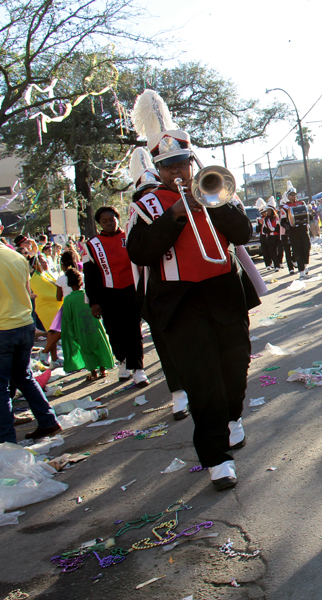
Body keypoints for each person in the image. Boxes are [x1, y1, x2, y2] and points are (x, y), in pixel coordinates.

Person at [127, 89, 256, 491]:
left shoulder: (215, 191)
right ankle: (216, 459)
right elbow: (141, 251)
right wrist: (174, 216)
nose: (176, 174)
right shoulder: (147, 205)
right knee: (203, 381)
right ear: (158, 169)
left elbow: (244, 233)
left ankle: (233, 416)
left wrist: (220, 202)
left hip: (222, 291)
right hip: (181, 304)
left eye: (182, 165)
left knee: (235, 368)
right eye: (167, 167)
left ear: (191, 163)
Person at [127, 146, 190, 420]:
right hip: (158, 290)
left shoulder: (183, 202)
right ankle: (178, 394)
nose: (150, 197)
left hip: (191, 285)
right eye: (144, 194)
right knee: (166, 344)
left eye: (153, 190)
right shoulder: (138, 215)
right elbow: (139, 256)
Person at [0, 243, 62, 443]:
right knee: (23, 377)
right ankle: (47, 420)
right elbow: (29, 293)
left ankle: (6, 439)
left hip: (3, 327)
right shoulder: (16, 257)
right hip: (24, 324)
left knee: (2, 385)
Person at [83, 206, 148, 387]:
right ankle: (122, 361)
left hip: (131, 290)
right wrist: (94, 302)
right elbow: (90, 274)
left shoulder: (129, 236)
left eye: (111, 219)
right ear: (99, 224)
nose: (109, 223)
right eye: (104, 221)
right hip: (108, 294)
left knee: (134, 330)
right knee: (114, 331)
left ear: (117, 218)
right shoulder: (92, 245)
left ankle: (139, 370)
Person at [60, 266, 116, 381]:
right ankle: (103, 369)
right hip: (96, 326)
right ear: (81, 282)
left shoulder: (68, 300)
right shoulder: (88, 294)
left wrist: (71, 332)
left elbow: (67, 319)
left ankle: (93, 373)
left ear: (69, 284)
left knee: (87, 350)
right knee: (99, 346)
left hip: (81, 330)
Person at [29, 254, 63, 367]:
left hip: (55, 306)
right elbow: (44, 294)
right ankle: (44, 352)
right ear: (35, 264)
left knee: (52, 332)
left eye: (45, 261)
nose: (45, 263)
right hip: (47, 307)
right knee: (59, 331)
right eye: (42, 262)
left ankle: (54, 359)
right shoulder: (36, 278)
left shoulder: (45, 274)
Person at [280, 184, 311, 277]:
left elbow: (307, 214)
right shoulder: (285, 207)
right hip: (293, 231)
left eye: (294, 195)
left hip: (303, 229)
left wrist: (311, 214)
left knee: (306, 247)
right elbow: (282, 221)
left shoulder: (301, 203)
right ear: (288, 196)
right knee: (297, 249)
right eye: (291, 195)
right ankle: (301, 271)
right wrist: (286, 225)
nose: (293, 197)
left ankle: (303, 264)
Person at [261, 198, 283, 271]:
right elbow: (264, 230)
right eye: (267, 211)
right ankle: (276, 265)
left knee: (280, 250)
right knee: (272, 252)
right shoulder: (266, 219)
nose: (268, 212)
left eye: (269, 210)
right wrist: (270, 230)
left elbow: (278, 228)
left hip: (277, 237)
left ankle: (279, 262)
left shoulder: (276, 218)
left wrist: (273, 229)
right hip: (270, 238)